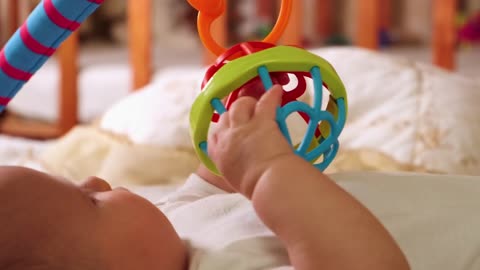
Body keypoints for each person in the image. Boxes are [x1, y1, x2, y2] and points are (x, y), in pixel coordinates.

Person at [0, 85, 411, 269]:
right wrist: (268, 171)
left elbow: (217, 178)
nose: (97, 181)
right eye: (88, 202)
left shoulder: (171, 224)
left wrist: (235, 131)